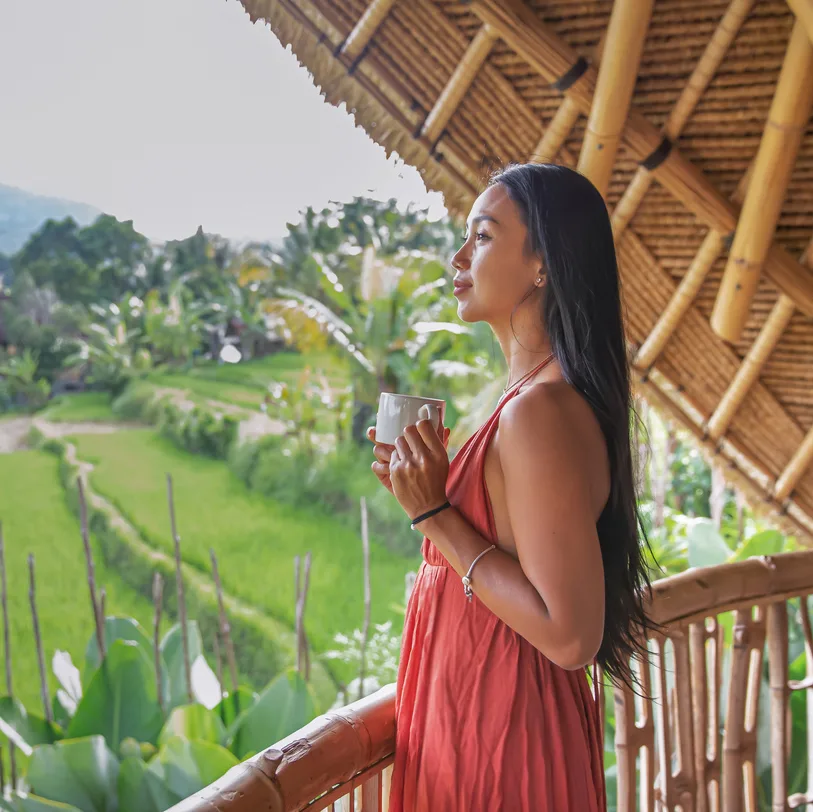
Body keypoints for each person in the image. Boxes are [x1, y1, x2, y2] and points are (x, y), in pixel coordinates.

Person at [367, 163, 652, 811]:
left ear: (541, 265)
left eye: (484, 236)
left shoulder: (538, 414)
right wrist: (422, 489)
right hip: (474, 717)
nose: (459, 256)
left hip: (503, 733)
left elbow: (569, 634)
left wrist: (434, 513)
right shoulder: (529, 401)